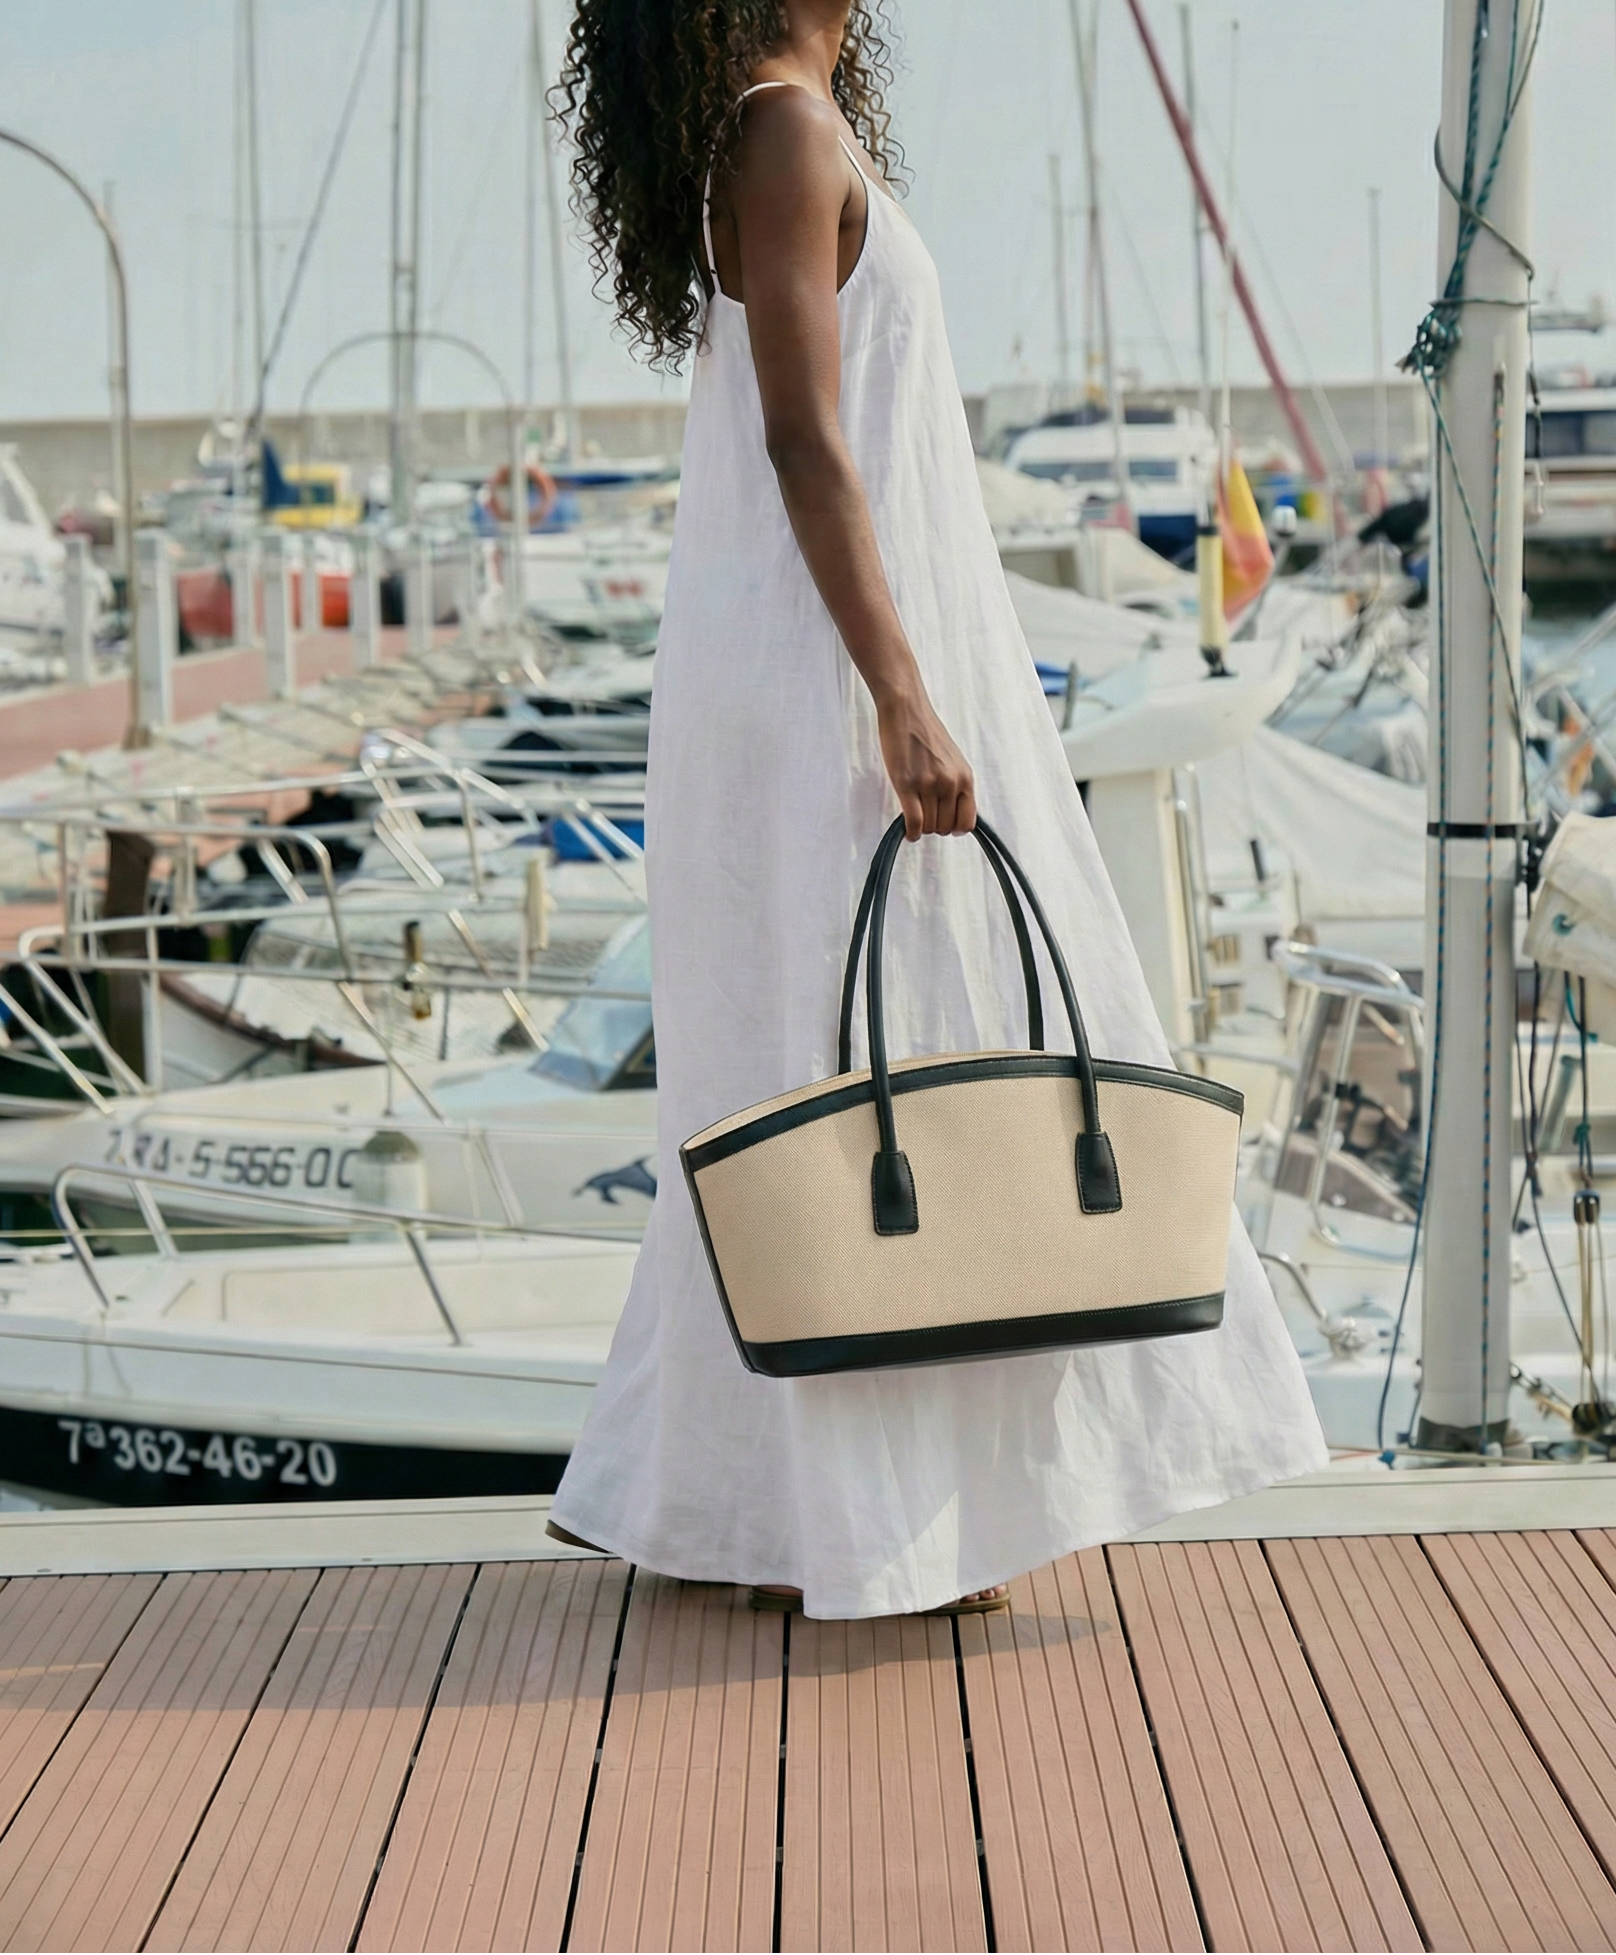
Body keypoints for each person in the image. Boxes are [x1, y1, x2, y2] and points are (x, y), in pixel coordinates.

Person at [546, 0, 1327, 1618]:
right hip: (821, 669)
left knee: (822, 1058)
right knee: (888, 1054)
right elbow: (806, 439)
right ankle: (883, 1514)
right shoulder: (784, 124)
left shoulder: (790, 125)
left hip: (799, 654)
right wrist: (903, 688)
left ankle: (774, 1510)